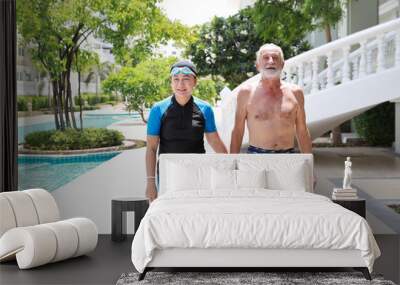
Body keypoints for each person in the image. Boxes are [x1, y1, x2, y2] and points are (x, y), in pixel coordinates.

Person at [145, 60, 227, 202]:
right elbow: (151, 148)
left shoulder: (205, 109)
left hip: (198, 172)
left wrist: (230, 166)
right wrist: (151, 182)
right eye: (176, 79)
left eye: (186, 79)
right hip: (168, 174)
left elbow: (214, 140)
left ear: (195, 82)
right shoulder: (158, 109)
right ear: (171, 82)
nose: (180, 85)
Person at [230, 43, 312, 154]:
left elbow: (302, 130)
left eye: (275, 58)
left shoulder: (296, 92)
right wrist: (232, 161)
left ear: (282, 64)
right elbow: (238, 130)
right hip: (256, 155)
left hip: (287, 156)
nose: (271, 61)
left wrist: (308, 161)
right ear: (258, 65)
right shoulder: (246, 93)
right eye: (266, 58)